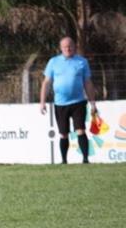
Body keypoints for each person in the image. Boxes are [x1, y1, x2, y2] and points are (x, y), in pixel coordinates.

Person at [39, 36, 98, 164]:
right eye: (65, 46)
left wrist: (93, 103)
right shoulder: (53, 62)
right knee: (63, 133)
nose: (68, 48)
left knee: (80, 130)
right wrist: (42, 102)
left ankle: (85, 159)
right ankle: (64, 160)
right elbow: (46, 82)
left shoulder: (82, 62)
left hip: (78, 102)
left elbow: (88, 83)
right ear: (61, 48)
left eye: (70, 46)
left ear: (74, 46)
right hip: (60, 104)